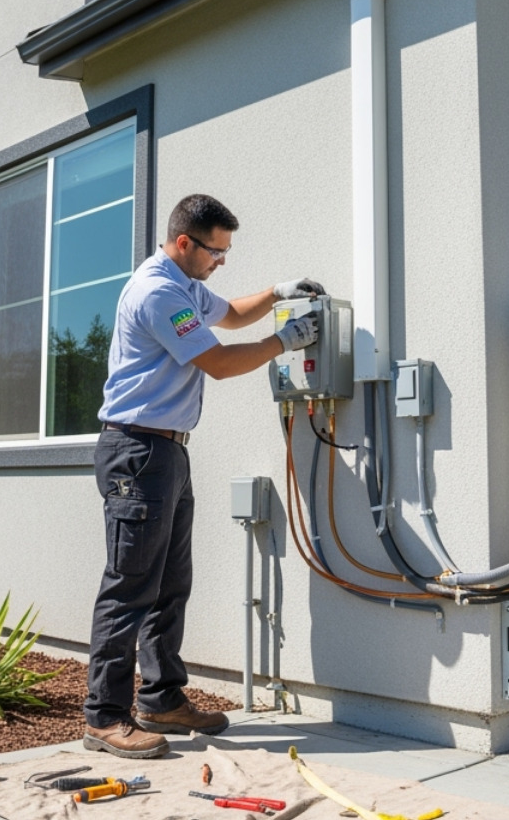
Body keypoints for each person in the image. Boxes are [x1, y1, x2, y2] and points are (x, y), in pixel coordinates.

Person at [83, 193, 324, 759]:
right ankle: (104, 718)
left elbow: (231, 312)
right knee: (129, 586)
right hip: (137, 451)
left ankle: (162, 700)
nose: (221, 261)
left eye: (226, 253)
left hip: (166, 452)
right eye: (216, 251)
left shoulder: (185, 283)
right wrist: (283, 342)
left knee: (169, 583)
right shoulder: (159, 291)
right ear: (185, 243)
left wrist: (276, 294)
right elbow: (216, 362)